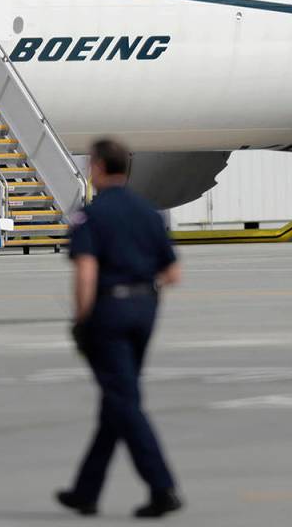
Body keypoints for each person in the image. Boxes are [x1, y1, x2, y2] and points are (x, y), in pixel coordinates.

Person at [56, 138, 183, 519]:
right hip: (146, 308)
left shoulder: (91, 216)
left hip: (109, 310)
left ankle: (162, 487)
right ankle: (86, 491)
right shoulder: (148, 212)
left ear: (95, 168)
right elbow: (173, 273)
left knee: (124, 401)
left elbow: (86, 269)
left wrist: (82, 319)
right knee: (119, 396)